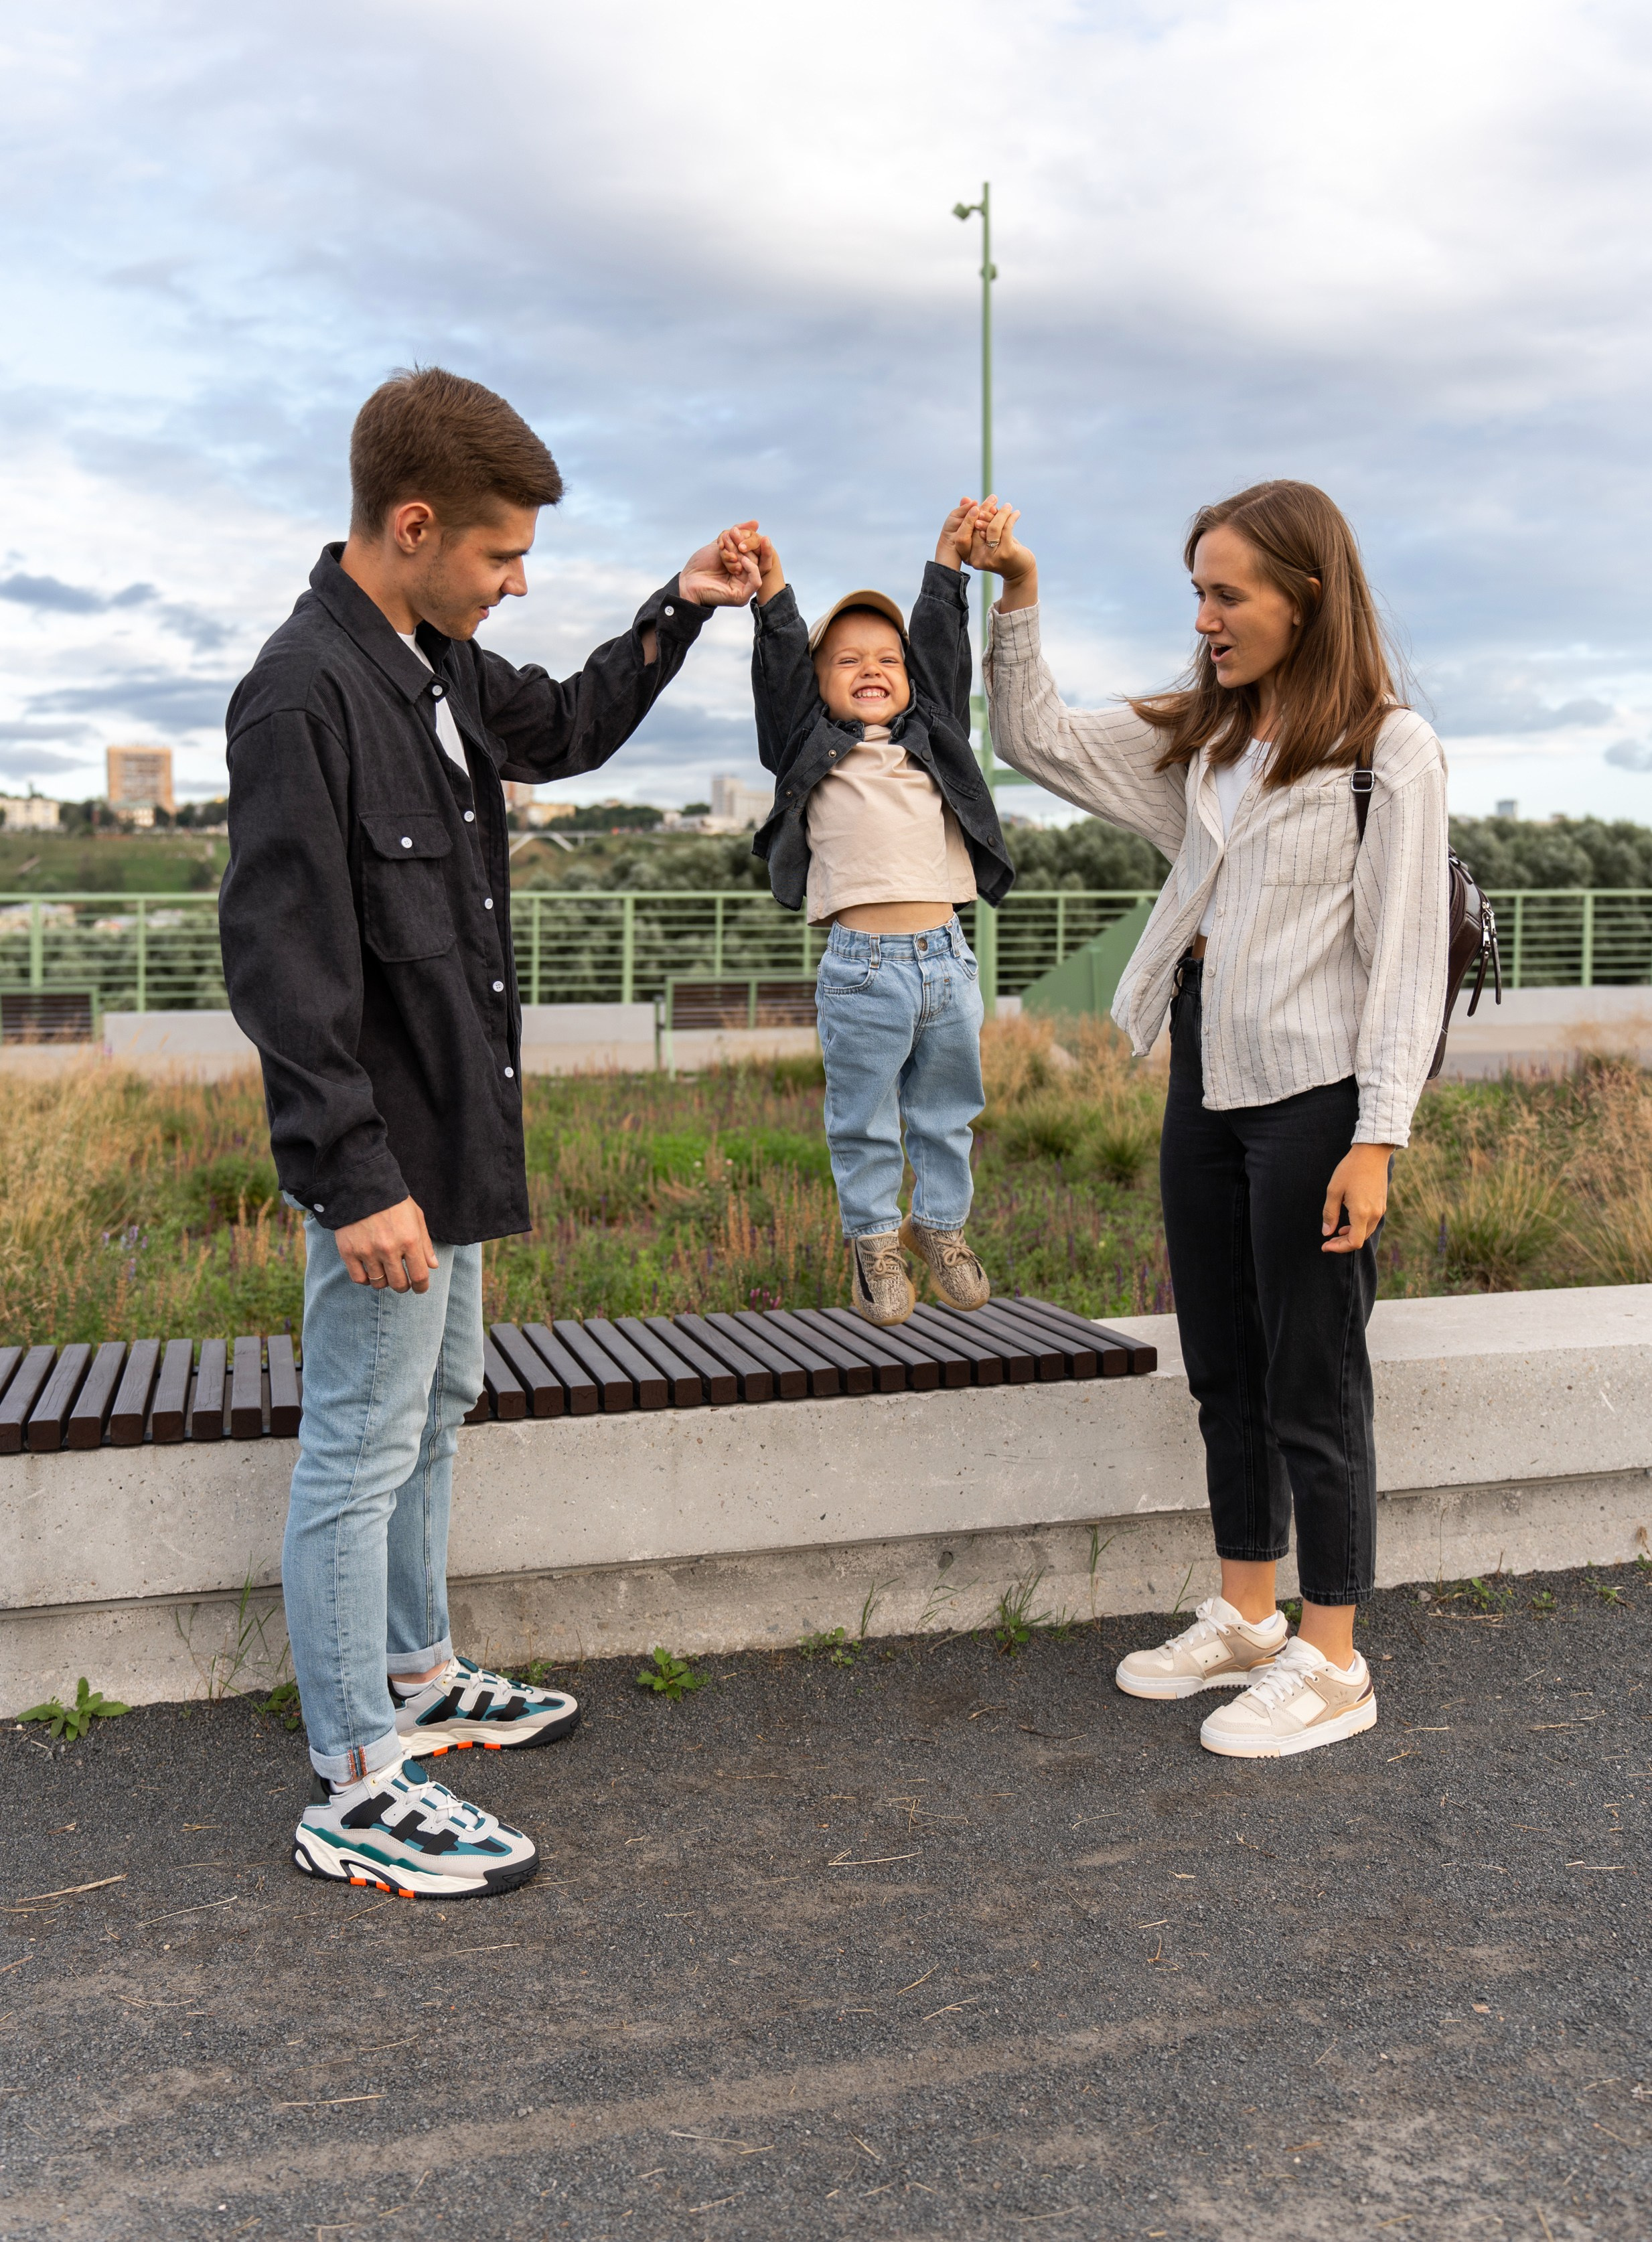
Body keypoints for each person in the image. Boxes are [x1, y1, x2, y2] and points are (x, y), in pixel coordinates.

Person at [219, 366, 755, 1896]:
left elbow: (574, 723)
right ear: (410, 524)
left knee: (438, 1394)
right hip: (385, 1162)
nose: (516, 580)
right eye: (499, 552)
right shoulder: (304, 687)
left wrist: (686, 602)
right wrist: (352, 1172)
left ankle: (414, 1671)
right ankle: (355, 1778)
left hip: (454, 1139)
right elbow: (282, 956)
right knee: (360, 1441)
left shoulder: (437, 663)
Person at [981, 481, 1448, 1760]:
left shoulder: (1386, 754)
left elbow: (1405, 961)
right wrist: (1016, 596)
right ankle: (1248, 1615)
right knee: (1224, 1370)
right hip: (1203, 1087)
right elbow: (1032, 742)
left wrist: (1377, 1138)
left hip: (1317, 1104)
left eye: (1225, 594)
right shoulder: (1207, 742)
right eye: (1195, 592)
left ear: (1305, 596)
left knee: (1315, 1380)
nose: (1204, 620)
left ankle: (1335, 1659)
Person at [731, 504, 1015, 1325]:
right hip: (862, 968)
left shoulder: (935, 737)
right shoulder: (808, 744)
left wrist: (947, 567)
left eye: (887, 658)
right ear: (819, 685)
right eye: (848, 659)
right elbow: (781, 666)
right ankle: (874, 1243)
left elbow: (941, 648)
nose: (873, 667)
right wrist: (771, 593)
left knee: (949, 1109)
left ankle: (943, 1229)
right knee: (863, 1120)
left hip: (947, 959)